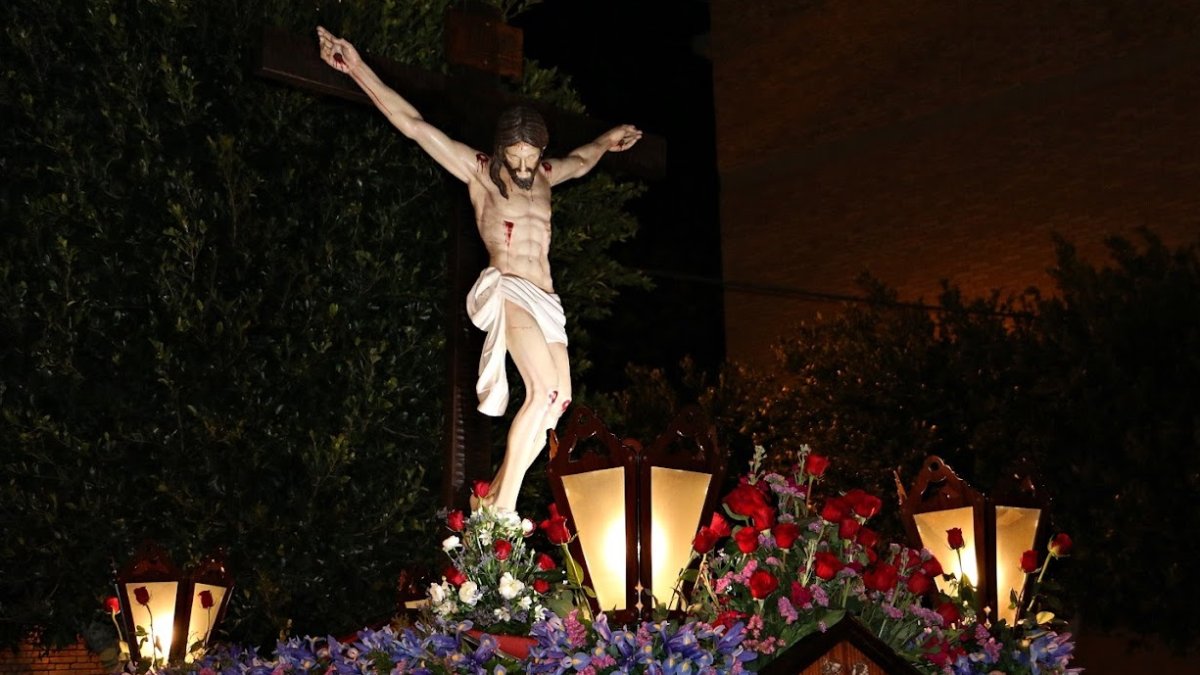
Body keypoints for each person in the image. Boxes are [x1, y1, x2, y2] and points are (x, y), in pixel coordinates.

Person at [317, 27, 642, 512]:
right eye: (517, 157)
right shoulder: (479, 172)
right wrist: (357, 68)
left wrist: (609, 139)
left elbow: (580, 160)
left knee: (558, 403)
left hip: (546, 299)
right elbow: (414, 125)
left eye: (531, 157)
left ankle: (492, 502)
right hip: (509, 289)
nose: (525, 167)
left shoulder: (545, 176)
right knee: (543, 390)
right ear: (502, 149)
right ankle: (503, 508)